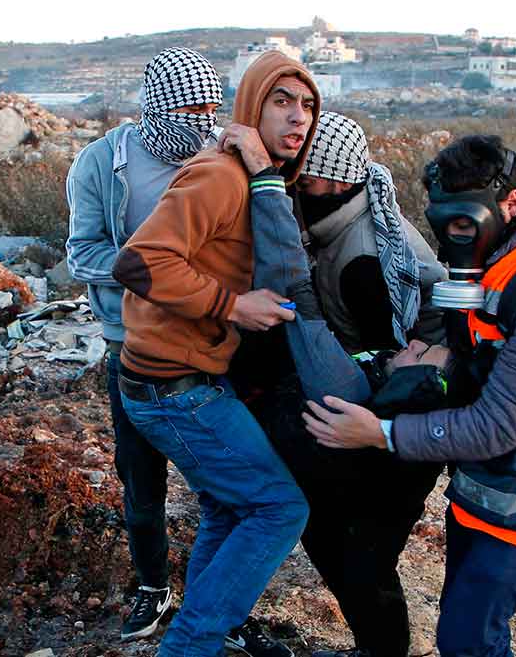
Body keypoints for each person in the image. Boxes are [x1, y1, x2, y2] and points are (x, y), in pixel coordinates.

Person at [299, 135, 516, 657]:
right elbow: (478, 365)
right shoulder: (498, 259)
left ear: (509, 204)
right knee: (470, 628)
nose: (454, 236)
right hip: (487, 484)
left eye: (465, 222)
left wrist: (379, 433)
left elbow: (499, 422)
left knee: (467, 640)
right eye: (444, 222)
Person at [110, 50, 320, 657]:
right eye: (281, 102)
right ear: (252, 107)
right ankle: (189, 645)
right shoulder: (220, 176)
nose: (297, 117)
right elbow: (138, 261)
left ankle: (203, 631)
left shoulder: (253, 177)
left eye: (307, 105)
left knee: (231, 509)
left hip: (188, 377)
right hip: (173, 387)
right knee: (280, 510)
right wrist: (231, 306)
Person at [219, 115, 450, 657]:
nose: (295, 180)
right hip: (392, 401)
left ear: (335, 180)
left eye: (304, 174)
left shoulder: (361, 259)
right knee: (349, 548)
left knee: (361, 554)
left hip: (403, 410)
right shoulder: (349, 219)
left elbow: (369, 364)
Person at [65, 46, 226, 642]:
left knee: (222, 478)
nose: (203, 120)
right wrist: (158, 272)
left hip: (212, 339)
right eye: (192, 107)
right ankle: (152, 587)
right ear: (160, 103)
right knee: (140, 478)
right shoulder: (104, 163)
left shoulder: (217, 157)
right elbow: (82, 254)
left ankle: (218, 600)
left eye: (213, 107)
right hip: (130, 343)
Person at [296, 111, 447, 352]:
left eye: (304, 184)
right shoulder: (351, 220)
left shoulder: (363, 259)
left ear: (342, 182)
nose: (296, 193)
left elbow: (381, 354)